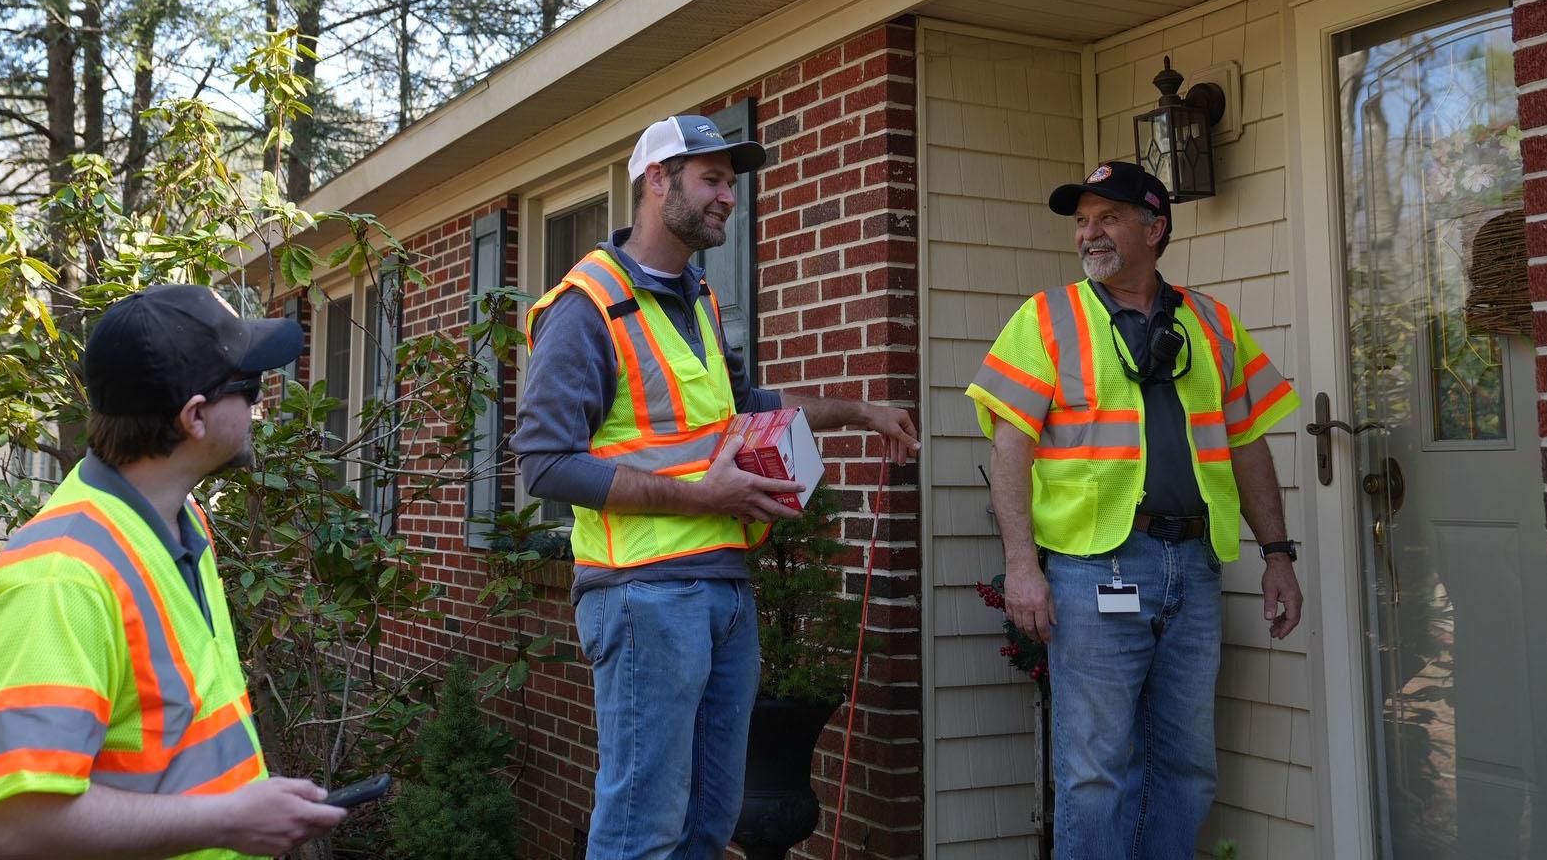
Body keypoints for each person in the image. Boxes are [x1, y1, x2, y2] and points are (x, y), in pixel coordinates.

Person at [514, 114, 920, 859]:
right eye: (712, 179)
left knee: (707, 826)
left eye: (732, 183)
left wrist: (859, 411)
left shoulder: (697, 296)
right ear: (657, 181)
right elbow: (545, 464)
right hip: (641, 596)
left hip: (723, 592)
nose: (729, 196)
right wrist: (702, 496)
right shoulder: (586, 308)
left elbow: (745, 412)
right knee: (643, 831)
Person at [965, 162, 1303, 859]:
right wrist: (1021, 565)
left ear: (1156, 229)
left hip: (1195, 567)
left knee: (1187, 768)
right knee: (1094, 774)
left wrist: (1278, 553)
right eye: (1083, 220)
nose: (1090, 232)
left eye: (1108, 217)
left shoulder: (1211, 321)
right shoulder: (1047, 316)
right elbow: (1010, 444)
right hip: (1094, 572)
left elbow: (1248, 443)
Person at [0, 285, 347, 860]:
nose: (258, 407)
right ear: (196, 417)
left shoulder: (181, 524)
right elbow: (14, 828)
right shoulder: (61, 578)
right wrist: (229, 821)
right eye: (249, 388)